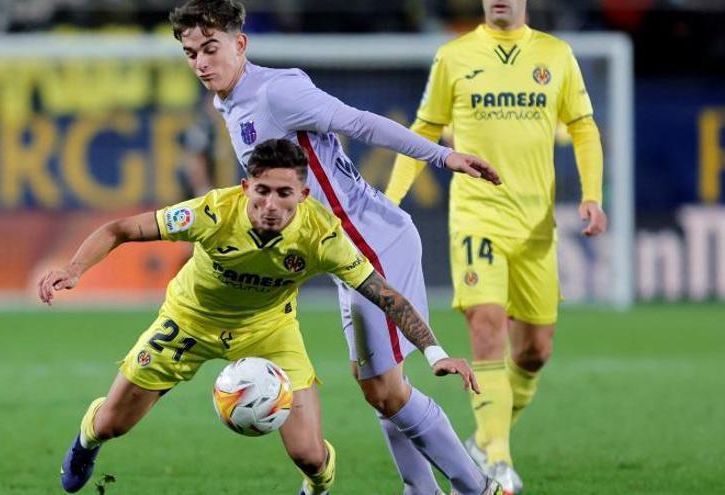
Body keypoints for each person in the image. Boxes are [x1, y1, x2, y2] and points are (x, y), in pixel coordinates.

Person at [170, 2, 503, 494]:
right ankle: (424, 489)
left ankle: (478, 488)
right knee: (380, 387)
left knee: (385, 389)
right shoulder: (230, 101)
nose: (200, 62)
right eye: (191, 52)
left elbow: (361, 123)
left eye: (210, 48)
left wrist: (442, 155)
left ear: (240, 44)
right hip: (343, 252)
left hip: (373, 242)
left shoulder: (277, 92)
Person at [41, 139, 488, 494]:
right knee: (113, 424)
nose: (272, 204)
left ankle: (315, 488)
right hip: (188, 322)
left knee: (311, 455)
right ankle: (86, 443)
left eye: (284, 193)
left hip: (269, 331)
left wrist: (435, 353)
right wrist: (73, 269)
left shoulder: (320, 235)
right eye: (262, 191)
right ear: (245, 187)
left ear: (303, 195)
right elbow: (119, 230)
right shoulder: (213, 212)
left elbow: (383, 294)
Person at [385, 1, 608, 493]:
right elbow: (423, 130)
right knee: (486, 323)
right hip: (476, 217)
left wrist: (592, 194)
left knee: (534, 352)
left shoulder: (557, 55)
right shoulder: (454, 56)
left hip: (535, 227)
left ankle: (487, 438)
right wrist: (392, 200)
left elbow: (583, 127)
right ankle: (499, 463)